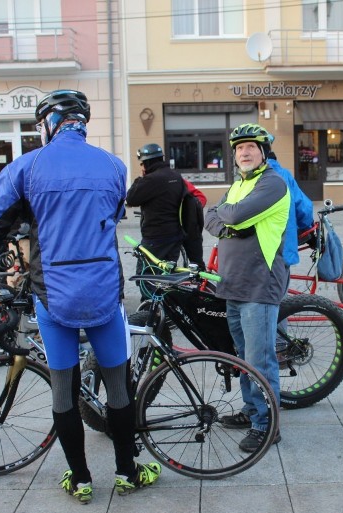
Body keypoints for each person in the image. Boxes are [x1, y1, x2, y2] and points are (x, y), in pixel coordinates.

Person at [0, 89, 161, 503]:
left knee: (63, 391)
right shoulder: (114, 165)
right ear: (81, 122)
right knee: (119, 389)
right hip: (104, 294)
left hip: (53, 295)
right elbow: (109, 216)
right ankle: (127, 471)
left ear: (49, 123)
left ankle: (80, 479)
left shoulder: (27, 165)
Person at [205, 123, 290, 453]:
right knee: (243, 357)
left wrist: (228, 217)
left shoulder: (272, 184)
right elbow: (211, 217)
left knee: (260, 359)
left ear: (263, 151)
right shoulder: (238, 184)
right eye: (239, 148)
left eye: (251, 147)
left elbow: (234, 215)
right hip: (232, 284)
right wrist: (227, 219)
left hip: (258, 285)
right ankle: (252, 409)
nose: (244, 152)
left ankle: (266, 425)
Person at [126, 143, 202, 269]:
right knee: (168, 274)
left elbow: (131, 199)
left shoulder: (150, 180)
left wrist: (140, 178)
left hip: (155, 237)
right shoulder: (176, 176)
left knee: (147, 278)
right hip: (175, 236)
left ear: (147, 163)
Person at [265, 135, 314, 267]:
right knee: (280, 284)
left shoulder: (247, 179)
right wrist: (307, 227)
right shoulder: (284, 175)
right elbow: (304, 207)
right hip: (283, 247)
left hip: (255, 253)